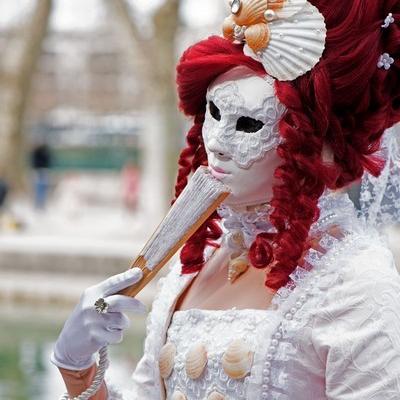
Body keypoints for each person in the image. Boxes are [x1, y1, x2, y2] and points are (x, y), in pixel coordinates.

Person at [51, 1, 400, 399]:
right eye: (213, 113)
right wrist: (77, 369)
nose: (216, 143)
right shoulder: (200, 260)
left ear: (315, 143)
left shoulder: (354, 281)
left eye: (249, 123)